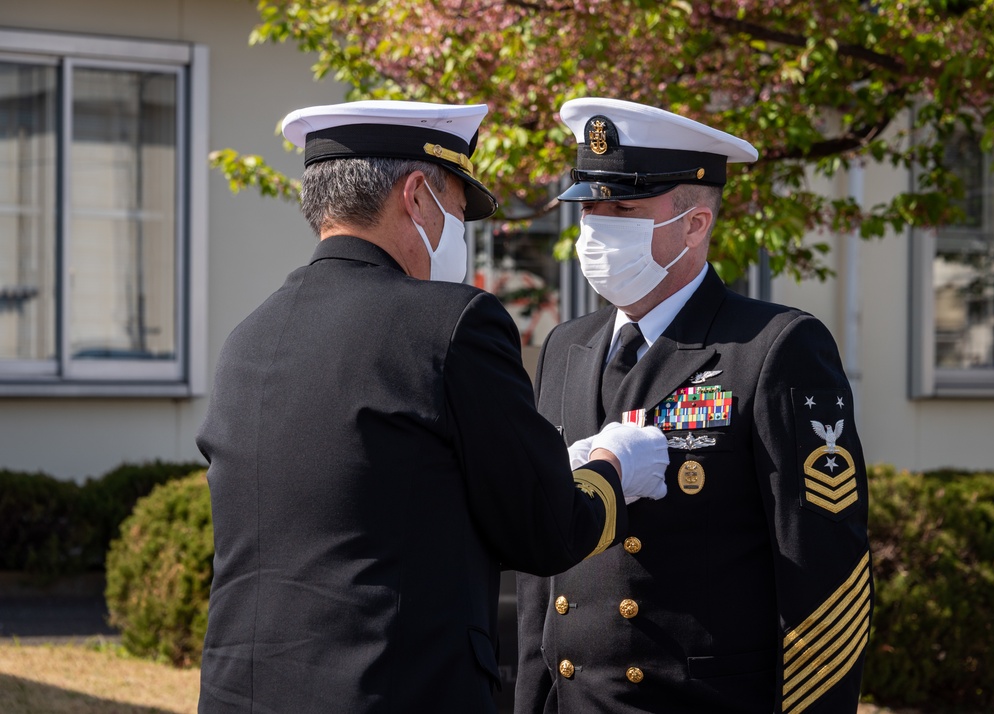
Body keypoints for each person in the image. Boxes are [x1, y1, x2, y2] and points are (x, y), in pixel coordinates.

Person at [195, 99, 671, 714]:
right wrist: (609, 465)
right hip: (394, 691)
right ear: (417, 196)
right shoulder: (450, 323)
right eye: (456, 207)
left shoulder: (249, 336)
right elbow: (543, 530)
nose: (461, 231)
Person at [515, 97, 873, 714]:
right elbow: (541, 580)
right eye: (590, 208)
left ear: (694, 225)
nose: (597, 229)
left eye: (623, 209)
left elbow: (823, 576)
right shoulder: (566, 347)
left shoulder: (772, 347)